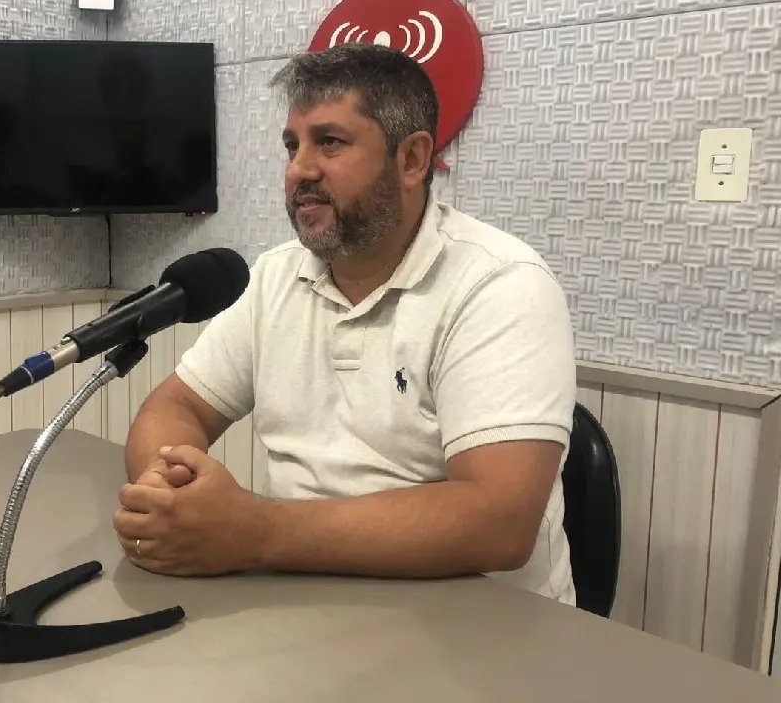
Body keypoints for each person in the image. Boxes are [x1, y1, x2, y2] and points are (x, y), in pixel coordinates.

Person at [112, 43, 578, 603]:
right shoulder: (277, 275)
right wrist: (170, 491)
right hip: (298, 600)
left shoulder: (500, 284)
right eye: (292, 146)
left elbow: (499, 522)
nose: (299, 170)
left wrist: (254, 533)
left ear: (412, 159)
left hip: (480, 628)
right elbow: (177, 407)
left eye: (329, 142)